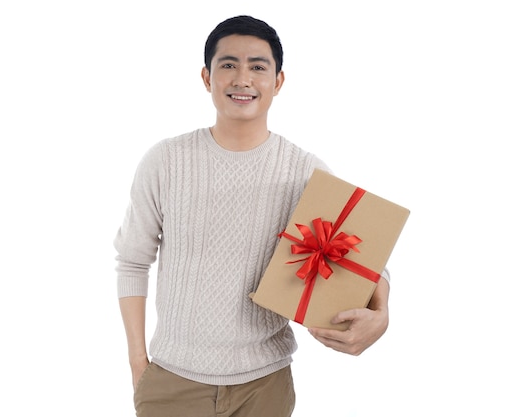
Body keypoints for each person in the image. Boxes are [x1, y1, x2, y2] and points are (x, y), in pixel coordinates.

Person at [114, 15, 391, 417]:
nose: (242, 78)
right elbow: (132, 261)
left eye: (258, 67)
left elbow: (362, 257)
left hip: (265, 386)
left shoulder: (305, 170)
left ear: (278, 82)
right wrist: (138, 364)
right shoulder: (165, 161)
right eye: (228, 64)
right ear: (207, 78)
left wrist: (382, 314)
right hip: (171, 381)